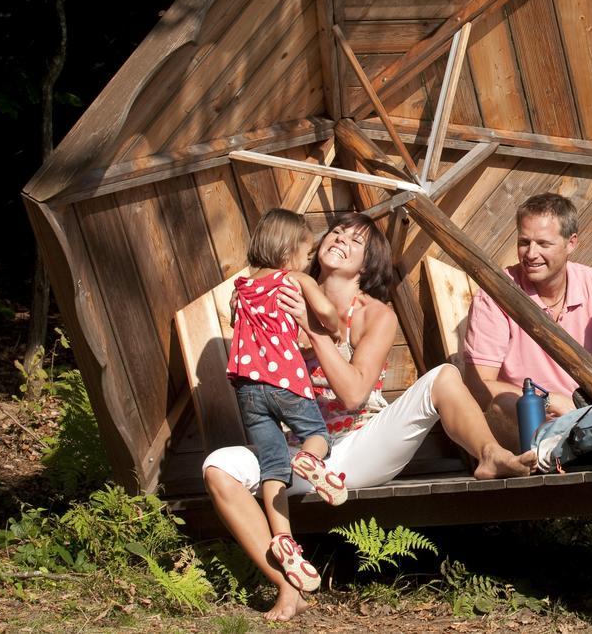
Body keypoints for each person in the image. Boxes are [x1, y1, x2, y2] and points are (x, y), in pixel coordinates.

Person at [203, 212, 536, 622]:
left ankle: (490, 454)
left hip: (358, 445)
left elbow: (355, 394)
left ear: (368, 264)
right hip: (297, 451)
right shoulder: (282, 290)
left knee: (444, 376)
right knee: (218, 467)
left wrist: (314, 331)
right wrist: (247, 308)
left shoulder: (377, 315)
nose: (340, 238)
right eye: (337, 231)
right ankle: (288, 587)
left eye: (354, 240)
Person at [226, 209, 349, 595]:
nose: (309, 259)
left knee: (271, 467)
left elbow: (237, 322)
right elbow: (328, 313)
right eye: (307, 251)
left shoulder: (241, 287)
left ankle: (283, 539)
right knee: (317, 436)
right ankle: (308, 458)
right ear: (288, 251)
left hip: (247, 390)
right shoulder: (292, 279)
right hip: (285, 383)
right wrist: (335, 327)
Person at [461, 193, 592, 448]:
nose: (531, 253)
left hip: (584, 410)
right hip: (524, 417)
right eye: (524, 242)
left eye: (543, 243)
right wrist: (546, 400)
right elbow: (479, 386)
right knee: (502, 405)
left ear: (571, 243)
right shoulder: (496, 295)